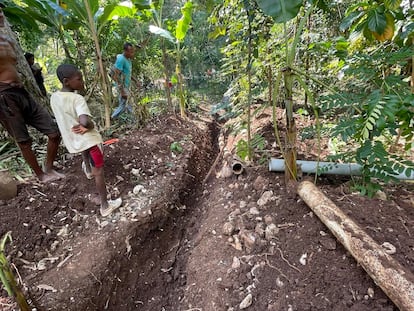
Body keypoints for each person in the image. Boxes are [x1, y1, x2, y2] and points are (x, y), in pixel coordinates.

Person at [0, 7, 64, 183]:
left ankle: (48, 167)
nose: (0, 15)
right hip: (4, 96)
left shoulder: (7, 39)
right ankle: (41, 175)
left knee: (53, 132)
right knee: (24, 140)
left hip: (21, 91)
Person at [51, 64, 122, 216]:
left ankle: (88, 170)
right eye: (79, 79)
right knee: (99, 171)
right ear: (66, 81)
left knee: (86, 153)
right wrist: (88, 125)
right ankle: (105, 206)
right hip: (90, 140)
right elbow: (85, 122)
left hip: (74, 139)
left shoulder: (55, 98)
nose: (82, 82)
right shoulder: (77, 99)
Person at [110, 42, 136, 119]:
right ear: (125, 51)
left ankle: (113, 118)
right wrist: (122, 91)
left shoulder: (128, 59)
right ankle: (135, 119)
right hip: (122, 87)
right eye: (130, 52)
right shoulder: (121, 59)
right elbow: (116, 75)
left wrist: (136, 81)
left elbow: (127, 72)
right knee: (128, 104)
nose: (132, 53)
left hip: (126, 86)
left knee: (123, 105)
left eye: (132, 51)